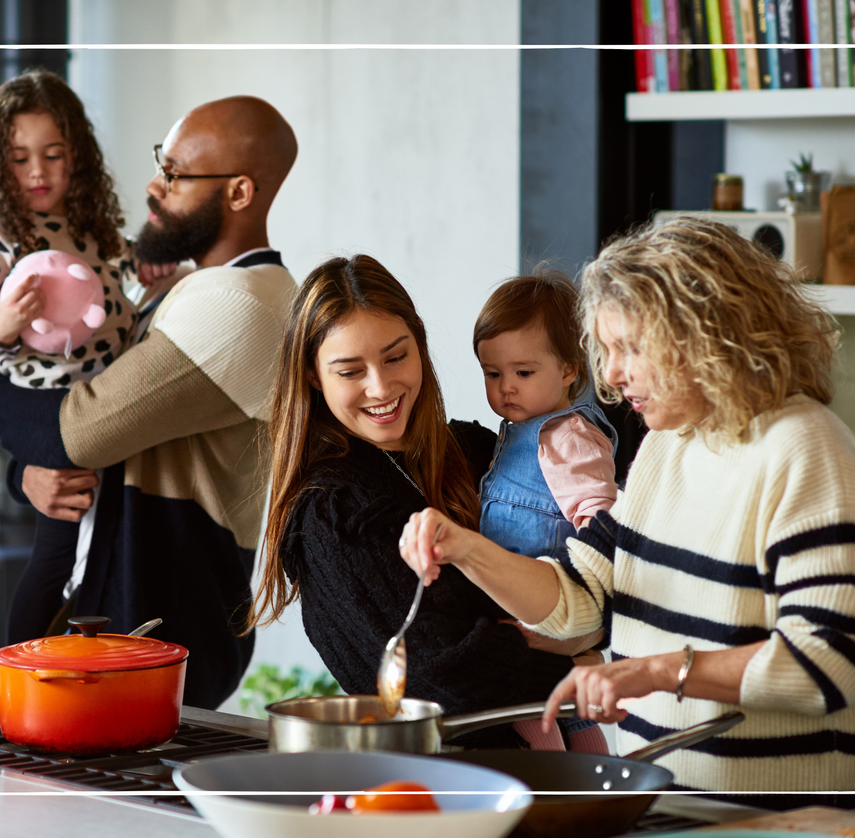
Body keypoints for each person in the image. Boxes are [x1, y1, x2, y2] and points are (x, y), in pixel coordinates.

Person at [400, 218, 855, 807]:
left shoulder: (806, 452)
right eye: (606, 351)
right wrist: (465, 548)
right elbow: (579, 594)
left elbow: (830, 661)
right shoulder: (670, 445)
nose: (609, 375)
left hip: (779, 826)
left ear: (708, 335)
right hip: (677, 809)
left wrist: (659, 672)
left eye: (629, 349)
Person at [0, 96, 298, 709]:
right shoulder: (189, 289)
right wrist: (30, 476)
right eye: (163, 162)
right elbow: (75, 433)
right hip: (111, 602)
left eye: (177, 173)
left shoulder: (242, 305)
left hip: (163, 624)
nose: (155, 186)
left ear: (238, 192)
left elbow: (75, 429)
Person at [247, 254, 604, 750]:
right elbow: (440, 672)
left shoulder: (482, 450)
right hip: (437, 782)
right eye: (351, 371)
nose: (381, 387)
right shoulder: (332, 512)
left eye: (396, 357)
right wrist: (578, 663)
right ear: (312, 376)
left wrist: (589, 635)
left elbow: (606, 575)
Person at [0, 71, 170, 643]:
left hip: (107, 390)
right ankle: (17, 674)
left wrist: (149, 266)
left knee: (101, 541)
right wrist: (6, 321)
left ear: (76, 155)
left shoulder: (90, 226)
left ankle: (92, 657)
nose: (37, 172)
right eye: (20, 157)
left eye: (53, 155)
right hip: (47, 400)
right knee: (56, 551)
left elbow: (128, 273)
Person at [474, 270, 618, 560]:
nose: (505, 387)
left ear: (568, 370)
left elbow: (601, 524)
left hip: (550, 596)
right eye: (492, 373)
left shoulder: (569, 437)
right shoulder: (518, 435)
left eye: (523, 372)